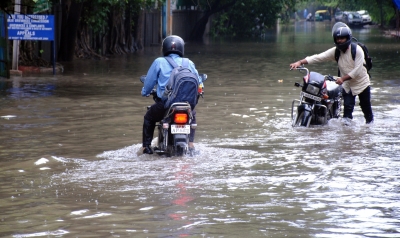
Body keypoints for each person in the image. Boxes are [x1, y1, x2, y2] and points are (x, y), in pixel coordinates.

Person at [289, 23, 374, 125]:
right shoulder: (336, 52)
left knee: (366, 108)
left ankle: (369, 129)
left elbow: (357, 71)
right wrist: (300, 62)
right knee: (347, 112)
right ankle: (348, 135)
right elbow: (319, 57)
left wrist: (342, 79)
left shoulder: (357, 50)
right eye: (337, 38)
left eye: (342, 38)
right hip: (348, 86)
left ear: (348, 38)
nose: (339, 40)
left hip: (362, 83)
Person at [141, 35, 202, 154]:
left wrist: (145, 92)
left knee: (149, 117)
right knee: (192, 114)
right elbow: (199, 84)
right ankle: (191, 144)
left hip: (165, 106)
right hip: (186, 106)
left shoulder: (159, 62)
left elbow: (148, 84)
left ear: (164, 48)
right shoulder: (188, 63)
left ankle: (146, 147)